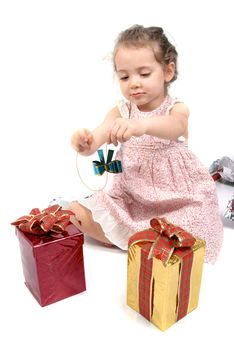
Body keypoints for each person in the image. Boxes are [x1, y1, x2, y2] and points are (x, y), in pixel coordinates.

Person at [69, 24, 223, 263]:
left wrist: (142, 126)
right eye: (124, 76)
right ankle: (129, 234)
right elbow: (97, 138)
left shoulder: (175, 108)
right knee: (77, 211)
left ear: (168, 72)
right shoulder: (122, 110)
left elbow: (177, 126)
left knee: (196, 219)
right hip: (132, 196)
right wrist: (84, 142)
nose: (134, 83)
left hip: (176, 198)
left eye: (144, 73)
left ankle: (147, 238)